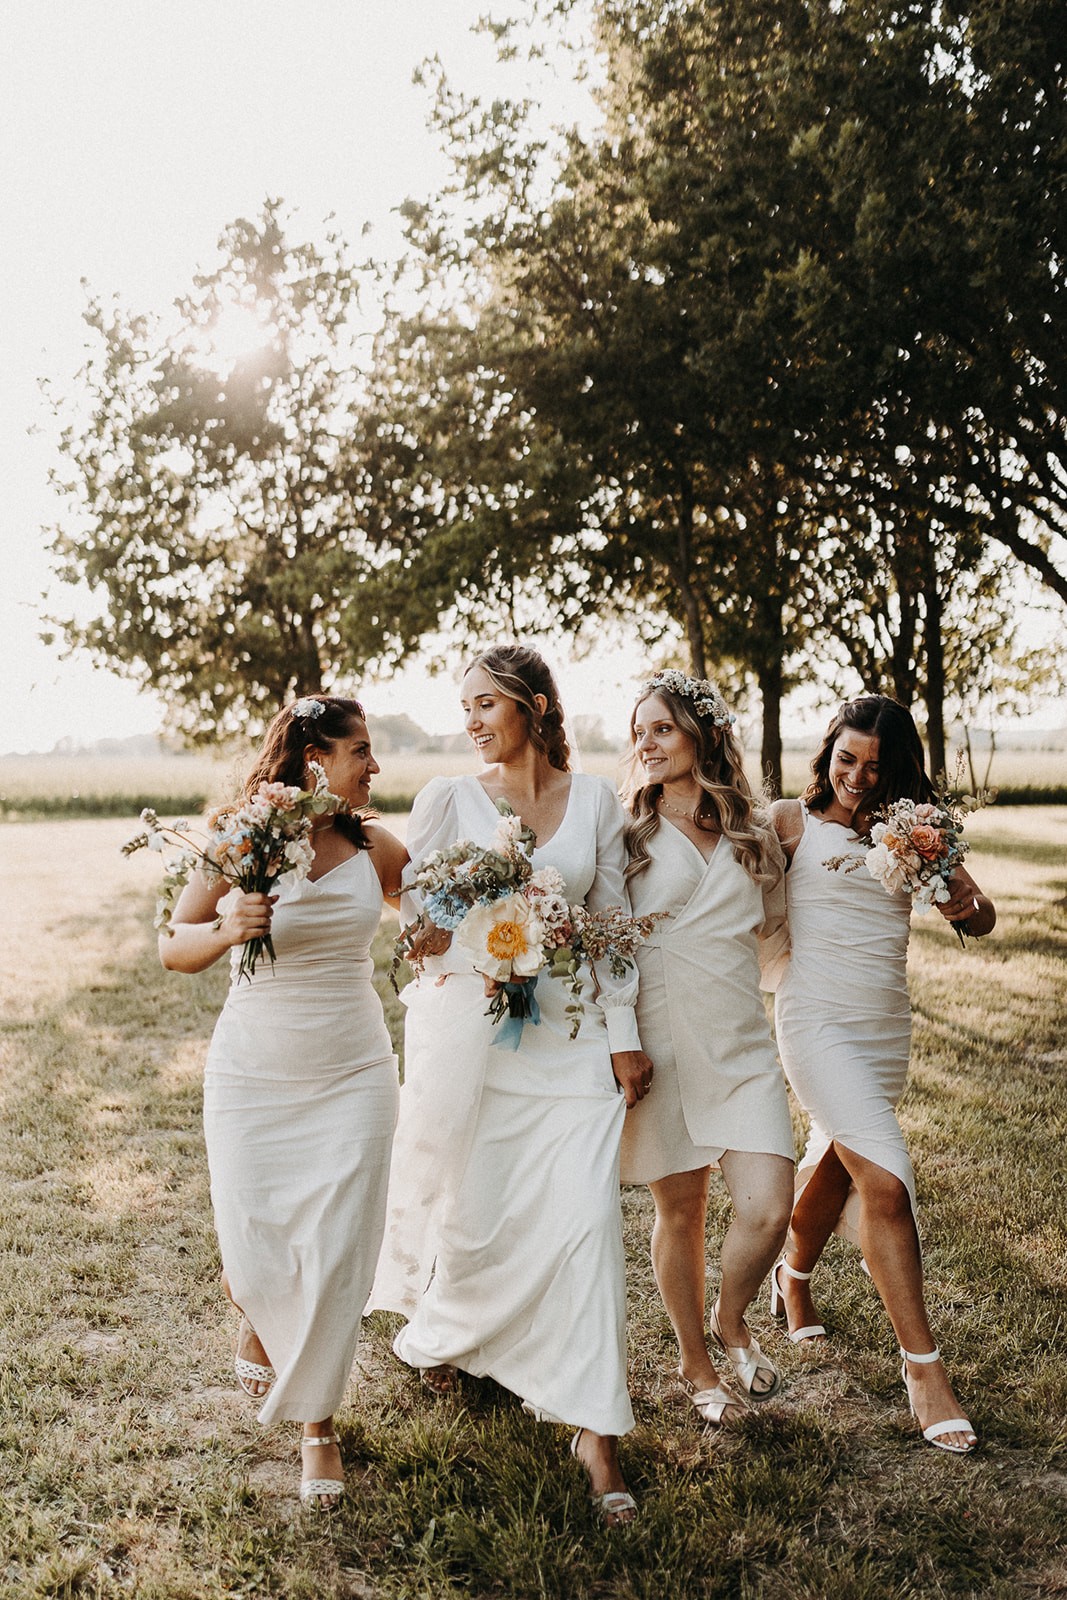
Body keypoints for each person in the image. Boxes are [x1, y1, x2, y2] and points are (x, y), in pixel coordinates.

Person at [370, 644, 654, 1528]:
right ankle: (461, 1334)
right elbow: (418, 920)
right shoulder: (446, 800)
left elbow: (608, 922)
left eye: (485, 704)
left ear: (533, 706)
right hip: (478, 1037)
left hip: (570, 1042)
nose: (471, 722)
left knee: (586, 1221)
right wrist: (451, 931)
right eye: (464, 709)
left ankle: (594, 1433)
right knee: (478, 1205)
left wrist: (624, 1037)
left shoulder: (596, 799)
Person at [160, 694, 408, 1505]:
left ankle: (317, 1427)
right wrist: (229, 929)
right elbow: (174, 947)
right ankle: (257, 1313)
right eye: (361, 751)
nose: (374, 766)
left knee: (338, 1251)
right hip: (253, 1074)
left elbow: (434, 916)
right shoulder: (242, 838)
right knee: (254, 1250)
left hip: (355, 1072)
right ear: (314, 760)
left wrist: (456, 933)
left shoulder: (372, 845)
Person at [769, 694, 995, 1454]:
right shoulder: (789, 824)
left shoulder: (917, 833)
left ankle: (790, 1278)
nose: (857, 778)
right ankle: (924, 1370)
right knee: (886, 1183)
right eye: (844, 759)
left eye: (874, 765)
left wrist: (968, 905)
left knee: (836, 1166)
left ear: (895, 769)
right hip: (814, 1021)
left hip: (881, 1027)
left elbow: (980, 913)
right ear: (826, 750)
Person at [619, 671, 794, 1426]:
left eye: (660, 728)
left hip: (739, 1039)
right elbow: (607, 949)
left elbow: (778, 940)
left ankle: (731, 1319)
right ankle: (695, 1362)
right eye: (639, 732)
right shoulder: (625, 835)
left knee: (766, 1207)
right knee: (681, 1209)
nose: (646, 744)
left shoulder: (754, 833)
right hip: (659, 1043)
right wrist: (620, 1043)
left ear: (701, 734)